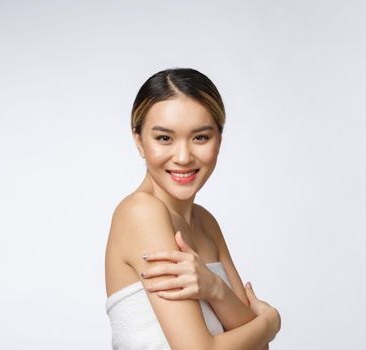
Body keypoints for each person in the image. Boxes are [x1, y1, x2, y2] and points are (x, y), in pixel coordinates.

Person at [104, 68, 281, 349]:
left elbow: (258, 348)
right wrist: (271, 323)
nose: (183, 157)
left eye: (200, 137)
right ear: (139, 140)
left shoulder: (205, 222)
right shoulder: (141, 213)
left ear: (219, 140)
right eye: (164, 138)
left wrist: (213, 287)